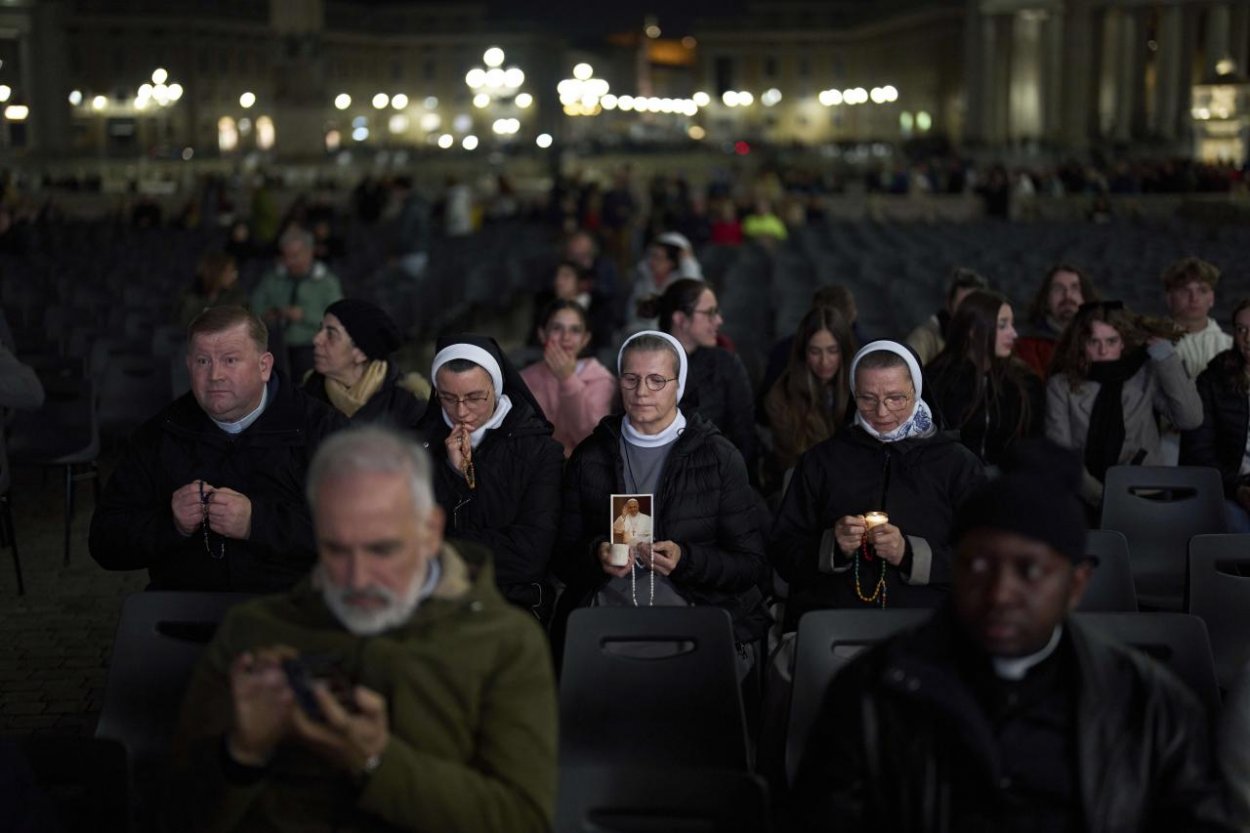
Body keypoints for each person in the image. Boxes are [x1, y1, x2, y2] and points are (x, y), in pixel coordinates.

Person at [789, 440, 1238, 832]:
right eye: (979, 565)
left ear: (1076, 584)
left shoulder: (1149, 707)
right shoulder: (872, 695)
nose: (1001, 593)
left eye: (1030, 570)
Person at [171, 426, 556, 833]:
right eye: (336, 549)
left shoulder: (504, 641)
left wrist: (377, 762)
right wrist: (242, 754)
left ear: (431, 530)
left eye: (381, 549)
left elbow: (525, 820)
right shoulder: (254, 631)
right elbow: (174, 816)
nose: (357, 579)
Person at [553, 331, 770, 670]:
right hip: (609, 609)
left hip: (695, 608)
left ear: (678, 385)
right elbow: (562, 556)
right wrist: (597, 553)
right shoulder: (591, 456)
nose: (641, 392)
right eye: (631, 379)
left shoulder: (718, 457)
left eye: (656, 380)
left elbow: (750, 565)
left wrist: (687, 559)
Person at [89, 306, 347, 592]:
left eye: (230, 360)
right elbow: (104, 541)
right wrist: (170, 525)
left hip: (288, 609)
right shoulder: (159, 434)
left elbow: (359, 533)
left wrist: (256, 523)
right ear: (188, 365)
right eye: (203, 361)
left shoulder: (324, 430)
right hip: (184, 608)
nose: (215, 375)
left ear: (264, 366)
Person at [769, 341, 984, 628]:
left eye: (896, 398)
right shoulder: (821, 461)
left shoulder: (957, 465)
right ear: (854, 394)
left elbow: (983, 556)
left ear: (916, 392)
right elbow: (783, 551)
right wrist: (832, 548)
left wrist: (909, 554)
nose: (881, 412)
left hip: (929, 625)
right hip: (834, 621)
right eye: (867, 399)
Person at [417, 335, 563, 624]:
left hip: (513, 603)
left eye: (474, 398)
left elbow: (529, 555)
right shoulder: (414, 446)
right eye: (447, 397)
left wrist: (439, 544)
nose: (460, 411)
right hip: (430, 600)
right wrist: (454, 474)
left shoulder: (540, 451)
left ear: (495, 389)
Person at [1045, 301, 1202, 510]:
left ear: (1123, 342)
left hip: (1144, 491)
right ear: (1081, 344)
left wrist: (1166, 358)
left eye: (1111, 341)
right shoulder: (1061, 386)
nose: (1103, 350)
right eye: (1094, 341)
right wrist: (1104, 498)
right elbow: (1061, 453)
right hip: (1082, 496)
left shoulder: (1144, 375)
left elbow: (1190, 419)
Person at [639, 278, 758, 480]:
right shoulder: (643, 362)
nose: (719, 320)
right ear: (680, 319)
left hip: (716, 478)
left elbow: (744, 436)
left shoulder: (726, 364)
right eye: (710, 313)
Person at [927, 290, 1044, 465]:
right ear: (973, 331)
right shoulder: (937, 379)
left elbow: (1033, 444)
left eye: (1012, 324)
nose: (1014, 334)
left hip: (1005, 484)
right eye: (1002, 325)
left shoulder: (1025, 382)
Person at [762, 306, 857, 492]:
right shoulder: (780, 397)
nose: (824, 361)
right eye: (815, 352)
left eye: (832, 351)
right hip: (807, 486)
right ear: (803, 353)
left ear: (844, 351)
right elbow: (793, 460)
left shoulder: (861, 389)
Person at [303, 299, 427, 430]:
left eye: (330, 334)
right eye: (320, 329)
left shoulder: (406, 405)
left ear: (361, 353)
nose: (316, 339)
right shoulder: (306, 397)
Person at [1180, 298, 1250, 532]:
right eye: (1241, 330)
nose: (1248, 339)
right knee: (1232, 524)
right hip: (1230, 488)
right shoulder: (1213, 380)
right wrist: (1237, 488)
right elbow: (1197, 452)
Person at [519, 299, 616, 457]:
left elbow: (590, 439)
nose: (566, 337)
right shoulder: (525, 378)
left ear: (585, 339)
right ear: (542, 334)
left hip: (580, 470)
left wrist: (567, 379)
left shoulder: (601, 379)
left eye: (575, 330)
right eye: (557, 328)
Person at [251, 226, 344, 381]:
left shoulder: (327, 283)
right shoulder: (272, 278)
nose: (289, 262)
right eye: (286, 256)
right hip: (275, 344)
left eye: (295, 256)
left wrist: (304, 316)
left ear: (309, 253)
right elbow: (254, 307)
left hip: (311, 347)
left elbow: (338, 319)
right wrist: (268, 314)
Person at [1015, 264, 1099, 378]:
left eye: (1075, 288)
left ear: (1085, 297)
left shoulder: (1106, 341)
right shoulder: (1028, 346)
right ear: (1046, 299)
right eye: (1058, 289)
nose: (1067, 295)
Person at [1162, 256, 1232, 379]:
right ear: (1169, 298)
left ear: (1211, 298)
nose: (1194, 298)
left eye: (1202, 291)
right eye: (1185, 291)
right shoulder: (1153, 346)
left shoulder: (1231, 347)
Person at [904, 267, 989, 366]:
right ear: (949, 305)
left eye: (974, 305)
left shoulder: (988, 340)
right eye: (962, 306)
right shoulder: (924, 339)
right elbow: (907, 375)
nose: (968, 312)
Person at [624, 234, 703, 334]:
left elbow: (694, 288)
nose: (652, 262)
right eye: (651, 256)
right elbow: (632, 314)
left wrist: (687, 260)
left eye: (658, 258)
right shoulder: (642, 280)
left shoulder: (679, 283)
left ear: (672, 262)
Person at [174, 251, 248, 329]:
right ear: (217, 273)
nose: (235, 275)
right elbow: (184, 324)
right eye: (230, 271)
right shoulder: (190, 296)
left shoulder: (236, 295)